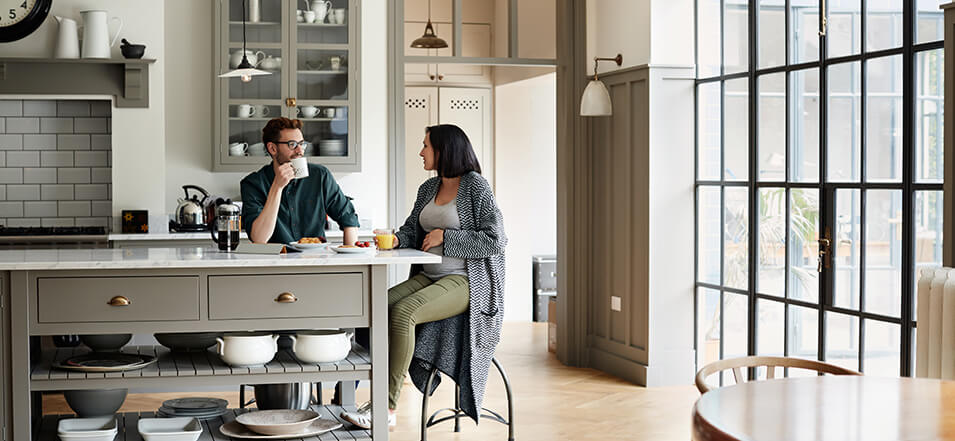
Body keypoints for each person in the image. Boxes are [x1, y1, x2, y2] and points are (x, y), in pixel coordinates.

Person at [341, 124, 507, 429]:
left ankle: (387, 408)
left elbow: (496, 239)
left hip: (465, 281)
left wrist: (447, 236)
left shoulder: (476, 187)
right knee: (371, 306)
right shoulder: (428, 189)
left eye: (425, 146)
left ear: (444, 150)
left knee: (403, 313)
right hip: (429, 276)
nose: (421, 152)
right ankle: (365, 392)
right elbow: (412, 231)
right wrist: (393, 239)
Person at [240, 117, 359, 245]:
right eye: (292, 145)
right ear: (272, 148)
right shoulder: (253, 184)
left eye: (301, 144)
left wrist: (350, 253)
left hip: (315, 259)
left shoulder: (320, 175)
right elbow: (259, 238)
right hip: (275, 261)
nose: (300, 151)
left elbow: (348, 218)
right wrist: (277, 186)